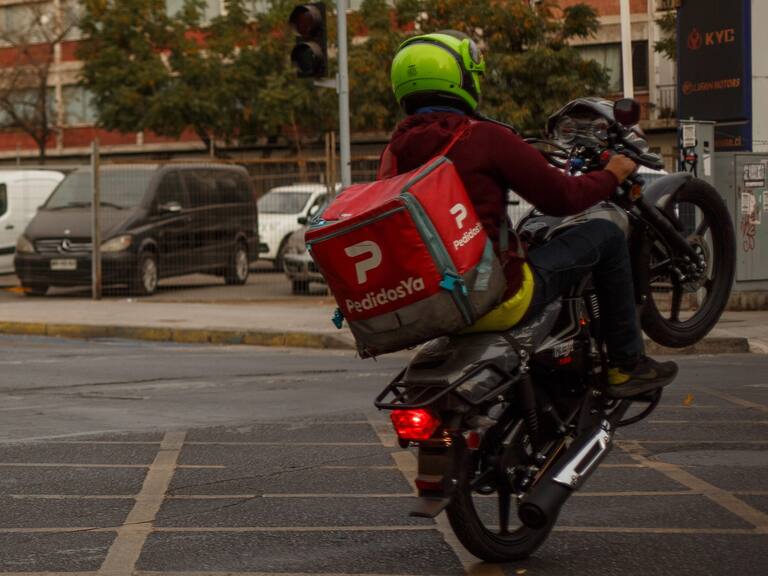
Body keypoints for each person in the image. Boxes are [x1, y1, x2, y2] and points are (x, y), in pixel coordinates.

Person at [380, 30, 677, 398]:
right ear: (463, 78)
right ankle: (626, 365)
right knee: (607, 235)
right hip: (496, 297)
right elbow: (563, 198)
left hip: (436, 304)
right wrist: (612, 172)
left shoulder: (393, 152)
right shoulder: (485, 137)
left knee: (529, 237)